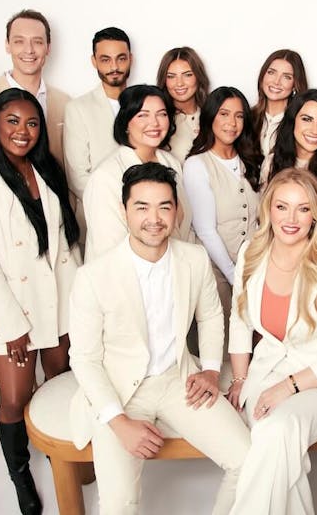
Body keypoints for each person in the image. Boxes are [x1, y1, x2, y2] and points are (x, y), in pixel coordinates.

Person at [68, 163, 251, 515]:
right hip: (119, 391)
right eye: (142, 207)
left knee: (248, 461)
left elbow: (211, 316)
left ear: (177, 210)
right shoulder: (93, 277)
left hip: (178, 380)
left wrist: (211, 370)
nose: (154, 218)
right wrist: (119, 423)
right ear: (124, 211)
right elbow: (85, 360)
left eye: (164, 206)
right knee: (118, 505)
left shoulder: (194, 259)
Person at [0, 88, 81, 515]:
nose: (22, 131)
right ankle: (20, 473)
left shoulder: (47, 169)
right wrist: (11, 326)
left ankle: (63, 455)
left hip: (59, 302)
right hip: (16, 309)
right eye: (12, 121)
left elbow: (67, 245)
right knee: (14, 399)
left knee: (62, 381)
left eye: (32, 123)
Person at [226, 168, 317, 514]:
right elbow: (239, 321)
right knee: (280, 446)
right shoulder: (251, 254)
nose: (291, 219)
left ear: (315, 215)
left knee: (278, 430)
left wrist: (288, 387)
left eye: (303, 209)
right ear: (268, 209)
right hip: (266, 370)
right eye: (282, 207)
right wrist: (240, 379)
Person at [183, 87, 263, 345]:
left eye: (239, 116)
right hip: (218, 272)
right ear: (210, 117)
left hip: (253, 267)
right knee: (224, 344)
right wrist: (234, 276)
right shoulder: (197, 165)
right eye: (224, 114)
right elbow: (205, 230)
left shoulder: (250, 160)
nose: (232, 123)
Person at [82, 85, 194, 260]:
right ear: (126, 122)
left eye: (162, 114)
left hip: (178, 268)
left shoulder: (171, 163)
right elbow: (108, 250)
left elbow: (185, 228)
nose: (154, 123)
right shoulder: (106, 176)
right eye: (143, 115)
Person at [0, 9, 70, 169]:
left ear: (48, 47)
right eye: (19, 41)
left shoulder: (65, 103)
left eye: (37, 42)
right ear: (7, 45)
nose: (29, 50)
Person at [261, 89, 317, 248]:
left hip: (315, 257)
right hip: (275, 253)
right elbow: (264, 221)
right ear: (292, 120)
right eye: (307, 119)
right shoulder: (271, 163)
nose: (315, 130)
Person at [64, 26, 133, 200]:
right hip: (99, 206)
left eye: (121, 58)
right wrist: (114, 205)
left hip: (145, 207)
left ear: (130, 59)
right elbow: (77, 177)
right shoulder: (77, 109)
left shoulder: (145, 103)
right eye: (105, 59)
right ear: (94, 61)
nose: (114, 67)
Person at [156, 46, 211, 162]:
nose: (179, 83)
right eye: (171, 76)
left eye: (187, 75)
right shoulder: (158, 120)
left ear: (198, 76)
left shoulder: (213, 115)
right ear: (164, 80)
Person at [250, 49, 308, 157]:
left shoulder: (301, 122)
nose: (276, 82)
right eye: (271, 72)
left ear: (295, 84)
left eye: (287, 77)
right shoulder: (248, 117)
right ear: (263, 76)